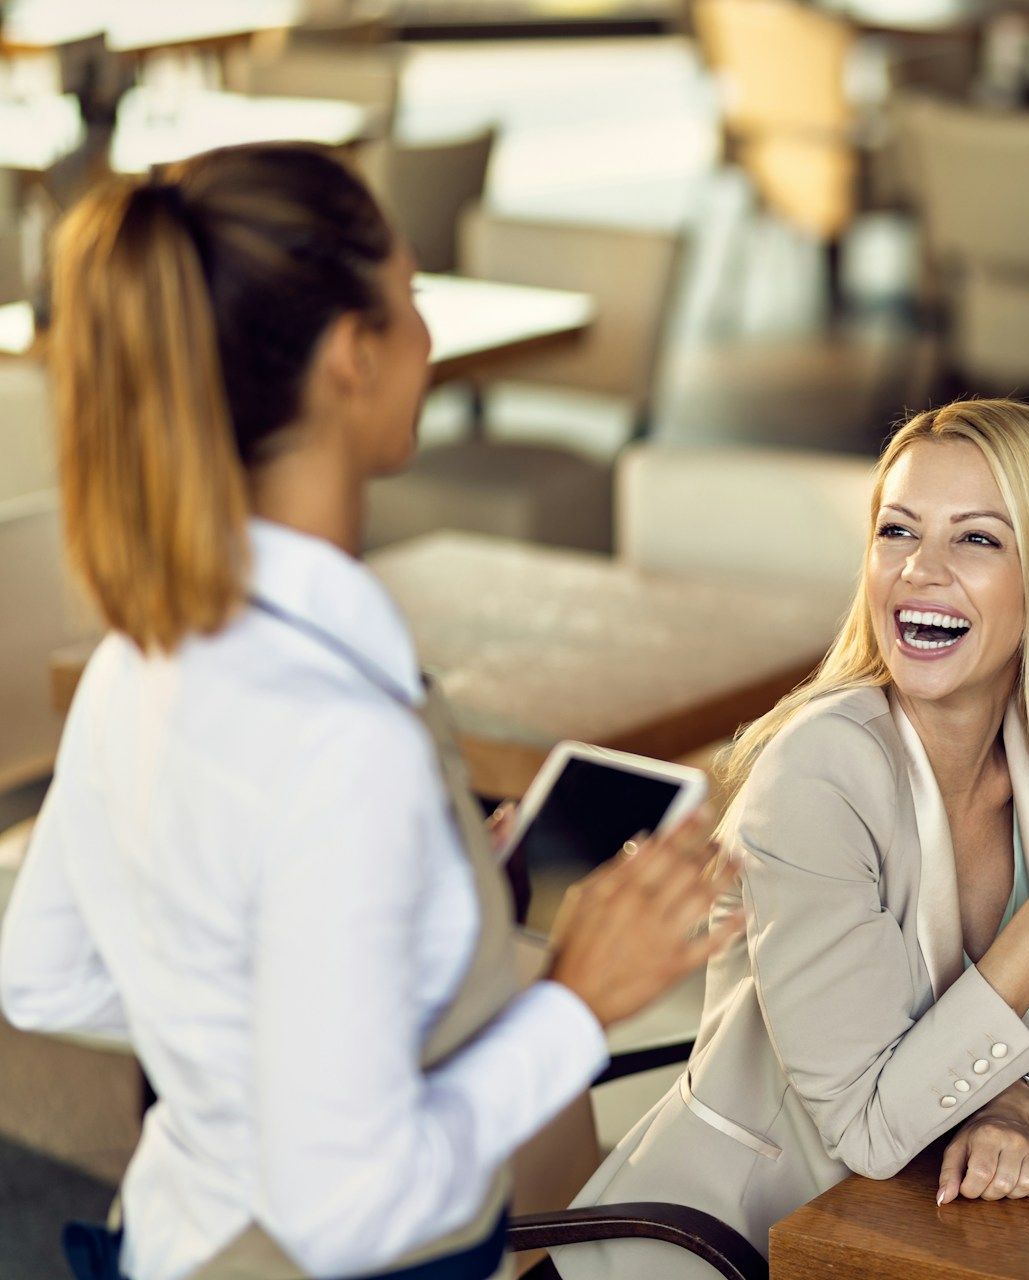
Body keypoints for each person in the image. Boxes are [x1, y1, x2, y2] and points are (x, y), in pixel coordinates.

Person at [0, 144, 737, 1280]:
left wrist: (377, 953)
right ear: (353, 355)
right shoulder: (347, 740)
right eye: (411, 296)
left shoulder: (137, 659)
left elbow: (43, 971)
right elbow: (346, 1210)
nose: (429, 337)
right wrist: (578, 1003)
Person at [553, 399, 1029, 1278]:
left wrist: (1008, 1104)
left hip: (912, 1236)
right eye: (898, 531)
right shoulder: (817, 774)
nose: (920, 570)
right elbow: (868, 1130)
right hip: (722, 1247)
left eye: (976, 539)